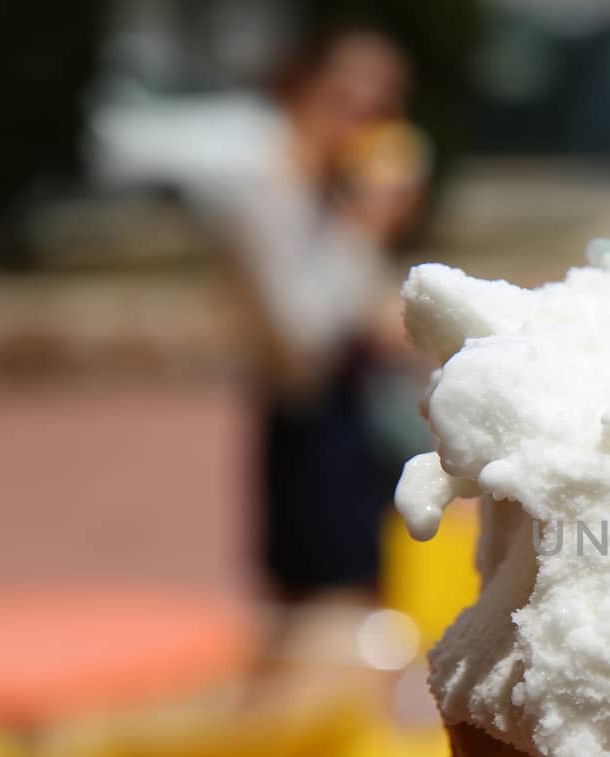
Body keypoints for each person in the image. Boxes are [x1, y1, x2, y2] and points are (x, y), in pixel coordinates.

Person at [94, 25, 430, 603]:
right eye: (345, 100)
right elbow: (301, 334)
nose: (362, 121)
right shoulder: (263, 183)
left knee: (367, 592)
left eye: (380, 107)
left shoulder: (323, 181)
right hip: (309, 423)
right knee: (319, 605)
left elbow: (358, 308)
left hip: (349, 416)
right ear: (301, 87)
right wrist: (366, 226)